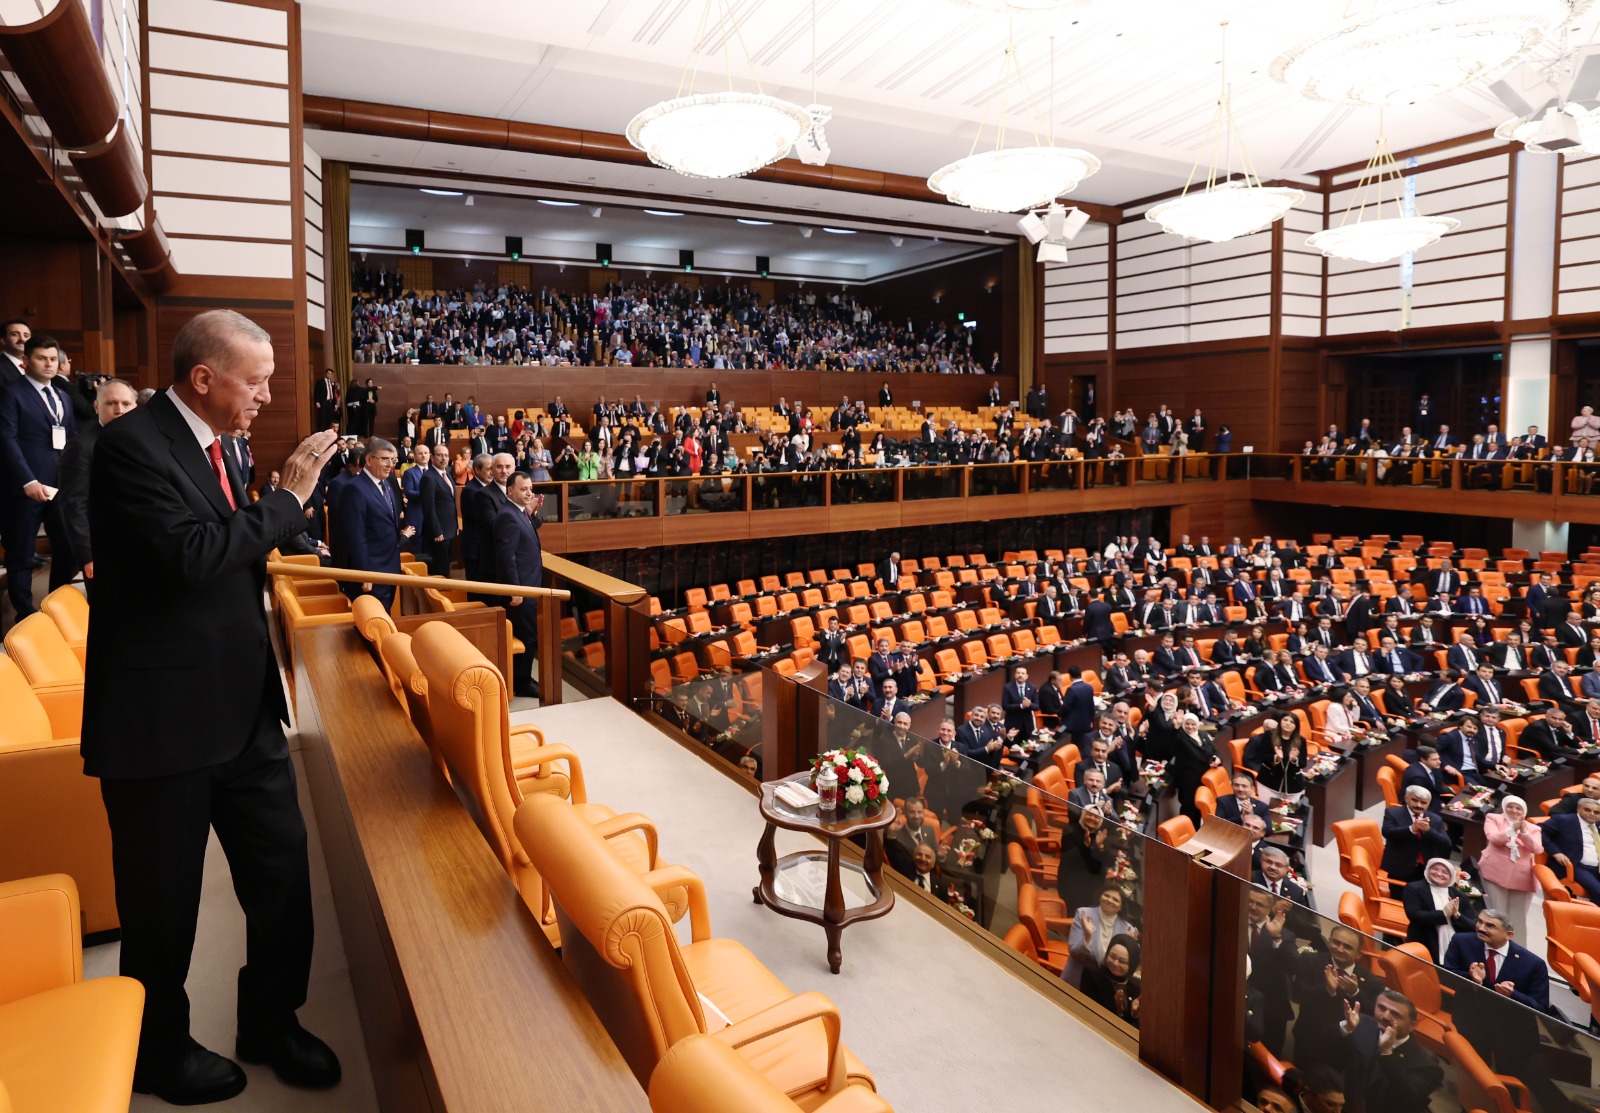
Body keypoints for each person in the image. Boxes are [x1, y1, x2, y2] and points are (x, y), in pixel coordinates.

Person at [82, 310, 342, 1104]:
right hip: (161, 725)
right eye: (256, 381)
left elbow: (233, 544)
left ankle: (269, 1019)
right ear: (205, 378)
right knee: (163, 913)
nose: (266, 395)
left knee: (283, 882)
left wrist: (285, 533)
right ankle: (159, 1051)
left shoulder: (225, 443)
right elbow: (193, 557)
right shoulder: (131, 448)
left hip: (242, 712)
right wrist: (288, 504)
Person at [0, 334, 78, 618]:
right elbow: (6, 439)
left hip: (59, 485)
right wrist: (27, 480)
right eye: (41, 358)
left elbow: (71, 440)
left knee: (68, 548)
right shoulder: (12, 393)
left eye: (53, 359)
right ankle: (25, 613)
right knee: (20, 554)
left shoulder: (63, 396)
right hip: (26, 486)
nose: (49, 364)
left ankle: (54, 607)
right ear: (25, 361)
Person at [55, 375, 138, 593]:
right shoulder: (81, 447)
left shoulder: (140, 443)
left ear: (135, 406)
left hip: (140, 548)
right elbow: (74, 506)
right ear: (96, 406)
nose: (119, 409)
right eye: (111, 403)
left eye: (126, 404)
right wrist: (87, 556)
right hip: (103, 552)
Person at [1441, 908, 1551, 1070]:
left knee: (1509, 1076)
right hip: (1471, 1023)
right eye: (1479, 921)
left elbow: (1540, 1007)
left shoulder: (1532, 964)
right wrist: (1473, 980)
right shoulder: (1461, 942)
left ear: (1508, 935)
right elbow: (1445, 976)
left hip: (1511, 1032)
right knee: (1473, 1072)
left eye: (1490, 926)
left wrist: (1513, 995)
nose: (1481, 928)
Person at [330, 437, 415, 612]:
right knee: (373, 624)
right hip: (370, 572)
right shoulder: (355, 488)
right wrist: (364, 572)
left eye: (392, 460)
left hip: (389, 567)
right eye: (384, 459)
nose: (389, 465)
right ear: (369, 460)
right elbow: (355, 535)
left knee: (385, 617)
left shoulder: (388, 483)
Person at [1335, 990, 1442, 1113]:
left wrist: (1387, 1053)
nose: (1385, 1016)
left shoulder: (1427, 1067)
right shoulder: (1361, 1023)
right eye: (1381, 1008)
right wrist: (1345, 1029)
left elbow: (1408, 1098)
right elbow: (1332, 1056)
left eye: (1395, 1014)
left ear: (1412, 1026)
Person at [490, 471, 546, 699]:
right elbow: (507, 556)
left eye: (530, 489)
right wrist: (515, 589)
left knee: (529, 633)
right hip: (521, 589)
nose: (528, 493)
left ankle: (524, 677)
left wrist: (531, 510)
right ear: (510, 490)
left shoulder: (520, 511)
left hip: (530, 584)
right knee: (527, 635)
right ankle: (521, 682)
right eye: (523, 489)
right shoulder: (507, 515)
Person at [1479, 796, 1541, 930]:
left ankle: (1515, 949)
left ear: (1524, 811)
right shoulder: (1493, 818)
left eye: (1518, 808)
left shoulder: (1533, 828)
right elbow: (1493, 838)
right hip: (1494, 870)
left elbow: (1537, 848)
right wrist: (1511, 830)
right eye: (1510, 807)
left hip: (1522, 876)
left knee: (1517, 918)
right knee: (1494, 913)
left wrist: (1524, 832)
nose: (1514, 810)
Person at [1401, 857, 1477, 962]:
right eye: (1435, 869)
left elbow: (1473, 926)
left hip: (1454, 941)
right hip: (1425, 938)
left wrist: (1457, 915)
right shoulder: (1413, 888)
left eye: (1445, 872)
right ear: (1427, 870)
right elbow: (1414, 916)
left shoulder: (1459, 895)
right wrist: (1443, 913)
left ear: (1451, 876)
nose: (1439, 874)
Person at [1381, 788, 1452, 896]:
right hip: (1400, 869)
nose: (1419, 805)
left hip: (1424, 872)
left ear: (1429, 803)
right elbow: (1387, 832)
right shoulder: (1393, 813)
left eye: (1423, 803)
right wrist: (1411, 829)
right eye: (1414, 800)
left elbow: (1446, 843)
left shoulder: (1436, 819)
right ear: (1406, 798)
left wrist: (1429, 831)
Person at [1541, 795, 1600, 901]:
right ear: (1578, 808)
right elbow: (1540, 831)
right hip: (1576, 866)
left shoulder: (1598, 825)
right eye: (1587, 810)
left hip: (1597, 867)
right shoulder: (1564, 820)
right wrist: (1556, 852)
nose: (1592, 814)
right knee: (1598, 891)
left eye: (1596, 812)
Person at [1078, 933, 1140, 1026]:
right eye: (1112, 956)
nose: (1115, 963)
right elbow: (1089, 1012)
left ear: (1131, 965)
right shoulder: (1092, 974)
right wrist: (1116, 1007)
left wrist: (1134, 1014)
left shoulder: (1136, 987)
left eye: (1122, 961)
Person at [417, 445, 459, 578]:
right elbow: (428, 507)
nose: (444, 458)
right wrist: (436, 530)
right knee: (439, 569)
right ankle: (439, 596)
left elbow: (450, 502)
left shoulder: (446, 474)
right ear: (432, 457)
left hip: (449, 529)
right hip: (438, 532)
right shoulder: (429, 477)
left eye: (446, 455)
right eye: (440, 455)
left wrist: (455, 525)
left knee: (446, 565)